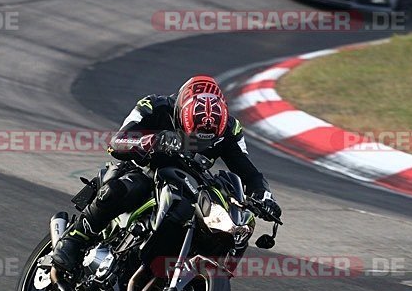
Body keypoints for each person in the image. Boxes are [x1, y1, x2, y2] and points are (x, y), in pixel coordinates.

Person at [51, 75, 281, 272]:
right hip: (143, 169)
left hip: (188, 185)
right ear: (182, 116)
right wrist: (154, 140)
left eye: (208, 138)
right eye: (195, 136)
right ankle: (74, 239)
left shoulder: (230, 129)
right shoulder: (155, 106)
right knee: (128, 186)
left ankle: (208, 274)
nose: (200, 143)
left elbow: (249, 173)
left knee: (232, 223)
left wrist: (264, 197)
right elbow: (116, 142)